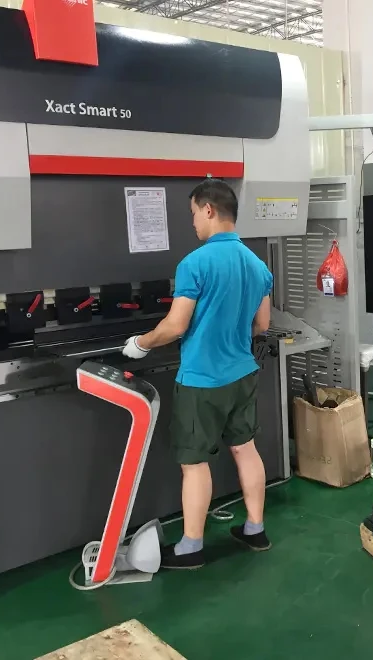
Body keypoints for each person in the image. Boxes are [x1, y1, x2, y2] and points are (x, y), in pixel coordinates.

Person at [122, 178, 274, 569]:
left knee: (194, 463)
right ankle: (255, 529)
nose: (192, 223)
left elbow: (175, 326)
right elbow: (262, 324)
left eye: (193, 214)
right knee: (245, 448)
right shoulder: (258, 265)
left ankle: (191, 548)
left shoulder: (195, 263)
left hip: (202, 380)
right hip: (243, 373)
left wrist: (141, 343)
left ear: (208, 210)